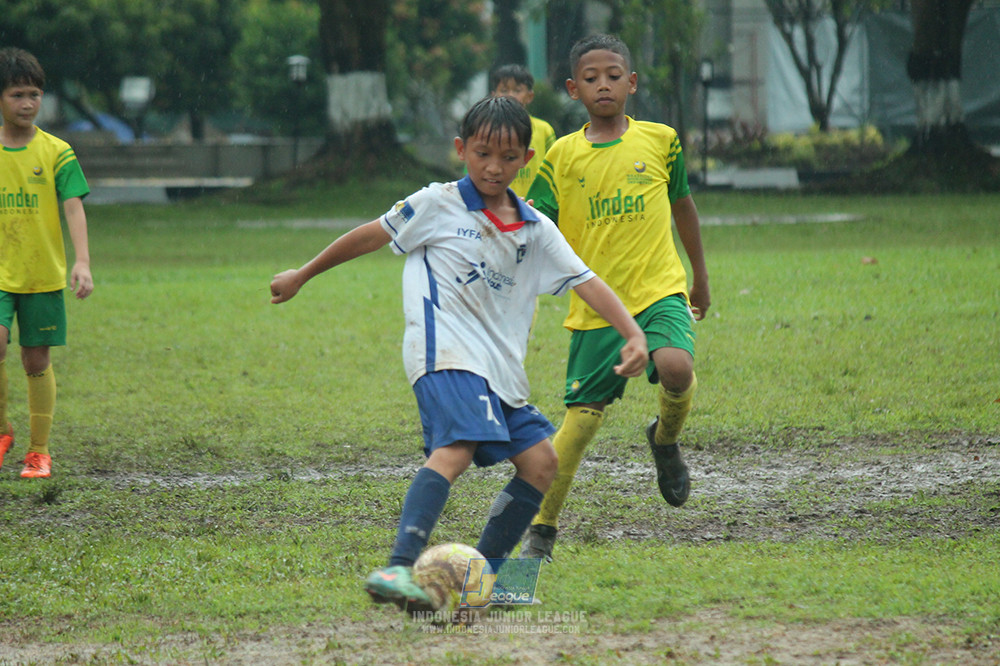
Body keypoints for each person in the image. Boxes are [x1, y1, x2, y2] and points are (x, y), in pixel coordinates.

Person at [269, 95, 648, 611]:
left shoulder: (535, 228)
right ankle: (399, 567)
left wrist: (632, 333)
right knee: (459, 448)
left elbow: (587, 281)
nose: (495, 167)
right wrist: (302, 274)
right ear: (461, 149)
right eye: (483, 153)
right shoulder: (436, 203)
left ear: (526, 161)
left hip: (500, 370)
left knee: (541, 462)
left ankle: (482, 580)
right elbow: (368, 236)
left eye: (509, 157)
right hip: (443, 351)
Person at [521, 34, 711, 561]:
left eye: (612, 75)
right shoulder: (561, 155)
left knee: (676, 366)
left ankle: (665, 440)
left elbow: (683, 208)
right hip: (597, 305)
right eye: (590, 78)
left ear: (631, 82)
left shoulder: (662, 140)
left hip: (658, 289)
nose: (602, 84)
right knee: (580, 423)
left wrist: (699, 276)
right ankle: (542, 528)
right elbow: (535, 226)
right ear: (573, 89)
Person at [0, 47, 93, 479]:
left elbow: (73, 206)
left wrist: (83, 262)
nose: (27, 103)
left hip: (42, 274)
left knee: (35, 361)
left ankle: (39, 451)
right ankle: (3, 431)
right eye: (17, 94)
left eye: (34, 94)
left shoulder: (57, 151)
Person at [489, 64, 557, 199]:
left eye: (517, 90)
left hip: (536, 207)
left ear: (529, 96)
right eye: (504, 90)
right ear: (494, 95)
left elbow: (554, 170)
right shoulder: (487, 129)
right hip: (497, 206)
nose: (510, 95)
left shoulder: (544, 130)